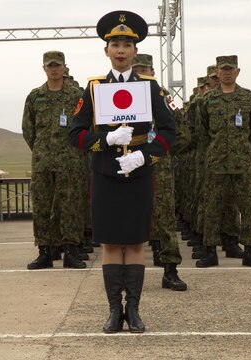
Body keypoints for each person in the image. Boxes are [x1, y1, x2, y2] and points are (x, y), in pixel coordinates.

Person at [69, 10, 175, 333]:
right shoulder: (93, 89)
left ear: (135, 51)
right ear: (106, 50)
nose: (120, 50)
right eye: (115, 44)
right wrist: (106, 139)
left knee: (136, 243)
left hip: (139, 175)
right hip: (105, 174)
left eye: (126, 45)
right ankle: (115, 310)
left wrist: (145, 156)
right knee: (111, 244)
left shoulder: (150, 87)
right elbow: (75, 134)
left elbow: (170, 131)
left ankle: (135, 310)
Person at [197, 55, 251, 268]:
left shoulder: (248, 98)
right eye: (223, 69)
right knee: (212, 207)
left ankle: (250, 251)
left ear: (237, 71)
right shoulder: (207, 99)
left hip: (242, 164)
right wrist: (215, 151)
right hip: (216, 163)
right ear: (217, 72)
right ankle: (210, 252)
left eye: (231, 69)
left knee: (247, 206)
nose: (227, 72)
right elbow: (202, 132)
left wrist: (244, 150)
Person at [23, 51, 86, 270]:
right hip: (42, 161)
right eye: (50, 65)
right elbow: (28, 129)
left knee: (70, 205)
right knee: (41, 205)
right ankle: (44, 252)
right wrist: (42, 150)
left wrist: (72, 150)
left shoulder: (76, 96)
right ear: (44, 69)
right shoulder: (35, 96)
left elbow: (84, 126)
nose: (54, 69)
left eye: (57, 65)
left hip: (70, 160)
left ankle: (71, 251)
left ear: (64, 67)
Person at [132, 53, 187, 291]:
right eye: (138, 70)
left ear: (153, 73)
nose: (142, 74)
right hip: (128, 166)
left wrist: (160, 151)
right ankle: (125, 273)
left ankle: (170, 271)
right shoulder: (117, 95)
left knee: (165, 218)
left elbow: (182, 134)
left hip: (158, 167)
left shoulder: (163, 97)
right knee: (127, 219)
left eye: (146, 70)